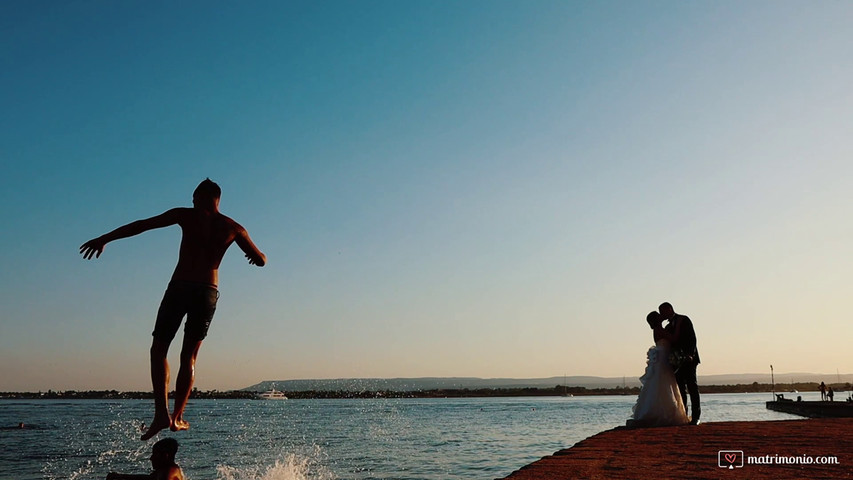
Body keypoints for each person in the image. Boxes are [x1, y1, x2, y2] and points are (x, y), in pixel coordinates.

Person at [81, 179, 266, 440]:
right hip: (207, 292)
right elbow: (262, 260)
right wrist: (252, 257)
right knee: (189, 358)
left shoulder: (185, 215)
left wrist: (105, 239)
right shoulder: (234, 228)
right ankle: (177, 417)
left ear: (202, 197)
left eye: (193, 198)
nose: (192, 202)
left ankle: (161, 414)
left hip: (180, 287)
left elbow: (142, 225)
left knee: (159, 349)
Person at [628, 311, 690, 427]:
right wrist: (678, 326)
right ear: (656, 319)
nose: (662, 316)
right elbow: (674, 339)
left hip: (663, 359)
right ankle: (662, 414)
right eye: (659, 315)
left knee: (662, 384)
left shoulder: (659, 329)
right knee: (663, 384)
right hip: (663, 360)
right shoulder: (659, 330)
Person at [659, 302, 701, 425]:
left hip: (689, 358)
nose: (662, 314)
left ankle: (696, 417)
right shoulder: (667, 327)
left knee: (692, 387)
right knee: (681, 388)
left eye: (663, 312)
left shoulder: (683, 320)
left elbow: (692, 338)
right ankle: (684, 414)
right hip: (676, 361)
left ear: (670, 309)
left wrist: (690, 354)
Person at [106, 437, 184, 480]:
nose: (151, 458)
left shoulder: (168, 473)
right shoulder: (165, 470)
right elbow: (147, 478)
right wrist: (120, 476)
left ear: (165, 456)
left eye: (154, 455)